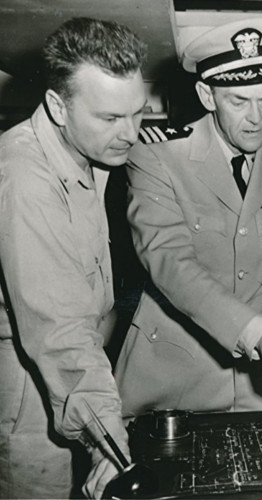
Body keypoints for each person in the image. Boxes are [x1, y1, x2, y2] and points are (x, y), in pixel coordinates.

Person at [114, 19, 262, 416]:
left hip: (254, 381)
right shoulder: (156, 156)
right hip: (170, 373)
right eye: (238, 102)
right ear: (207, 95)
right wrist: (256, 332)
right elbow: (171, 264)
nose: (257, 117)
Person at [0, 18, 147, 499]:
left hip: (72, 373)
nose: (130, 133)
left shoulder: (89, 149)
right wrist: (108, 435)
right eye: (110, 118)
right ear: (58, 107)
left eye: (137, 114)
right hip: (28, 387)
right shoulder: (24, 178)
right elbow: (58, 326)